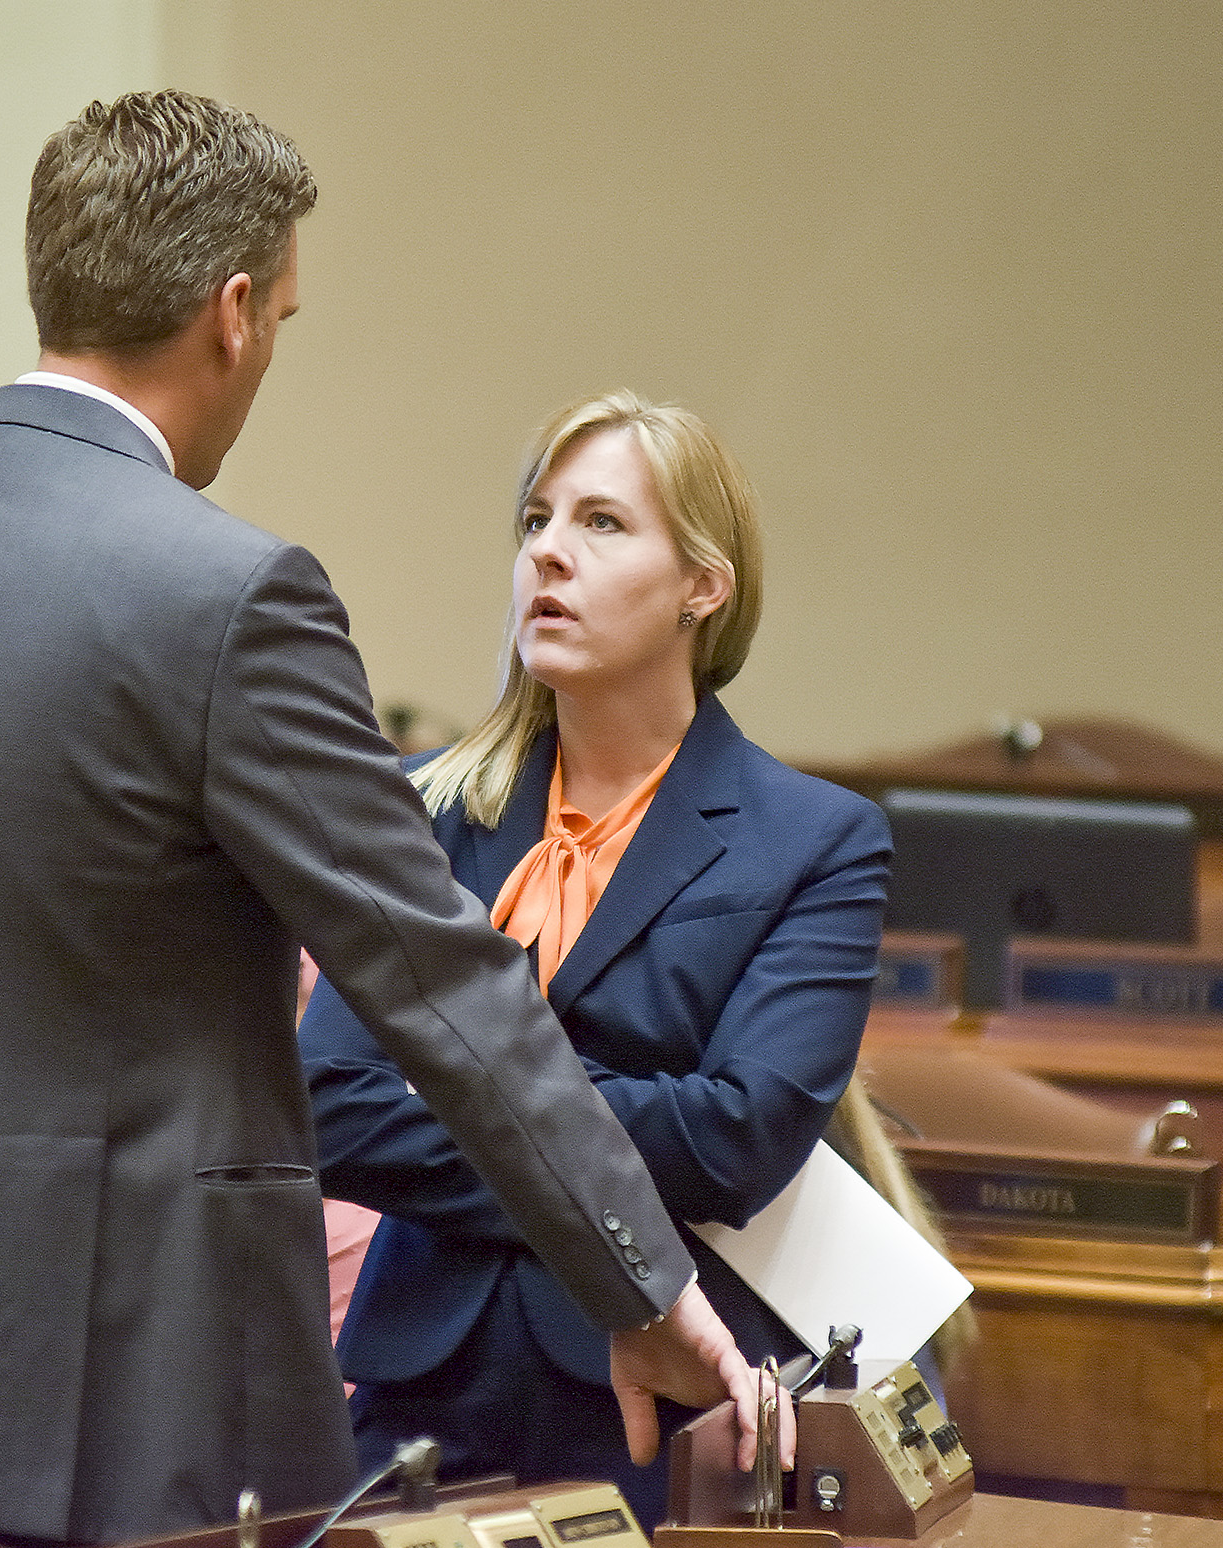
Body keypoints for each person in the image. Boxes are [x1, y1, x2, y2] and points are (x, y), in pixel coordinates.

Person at [0, 96, 779, 1546]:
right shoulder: (228, 596)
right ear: (236, 312)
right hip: (101, 1397)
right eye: (287, 319)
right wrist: (638, 1285)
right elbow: (438, 982)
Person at [300, 390, 893, 1525]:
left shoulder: (814, 840)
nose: (549, 556)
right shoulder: (435, 811)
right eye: (535, 521)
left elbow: (737, 1140)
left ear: (702, 586)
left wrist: (470, 1101)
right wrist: (590, 1154)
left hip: (662, 1394)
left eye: (602, 524)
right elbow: (330, 1104)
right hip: (427, 1379)